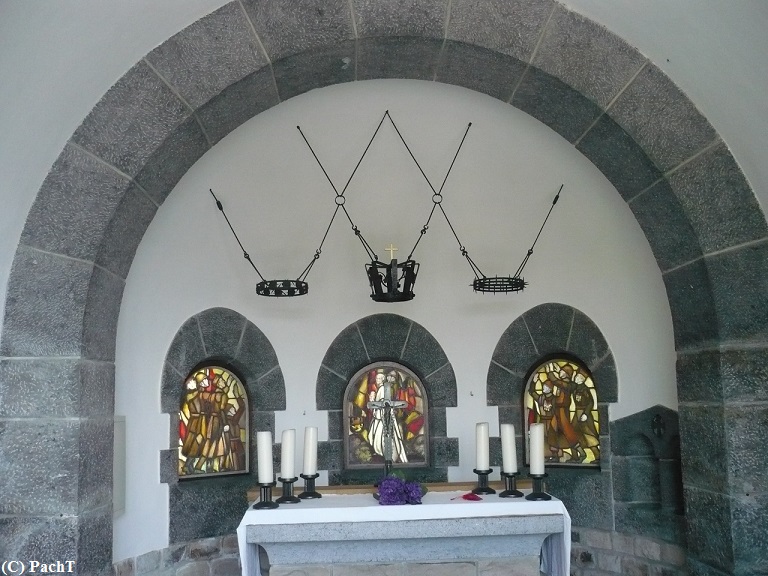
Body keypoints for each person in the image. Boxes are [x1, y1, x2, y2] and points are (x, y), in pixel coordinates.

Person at [367, 370, 409, 463]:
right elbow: (377, 404)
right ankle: (382, 454)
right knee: (377, 434)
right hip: (380, 416)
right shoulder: (382, 389)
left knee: (386, 434)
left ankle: (388, 455)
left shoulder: (384, 389)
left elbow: (386, 403)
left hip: (386, 417)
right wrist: (372, 401)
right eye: (377, 378)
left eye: (379, 378)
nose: (377, 380)